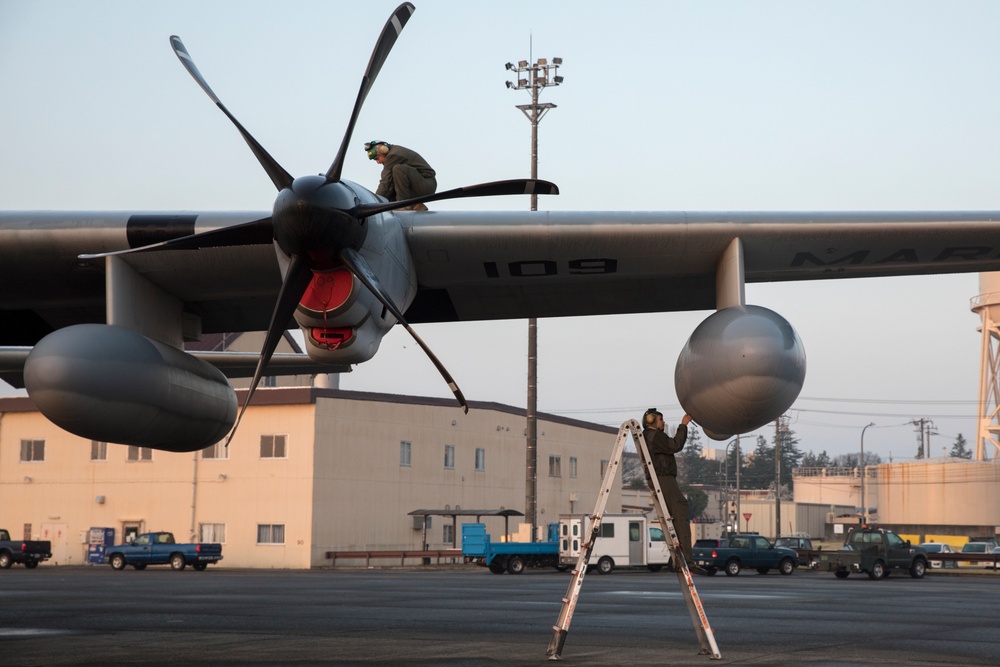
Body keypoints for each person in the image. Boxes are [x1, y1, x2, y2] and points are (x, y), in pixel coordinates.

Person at [642, 408, 704, 574]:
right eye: (661, 420)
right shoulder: (655, 436)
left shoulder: (648, 437)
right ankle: (687, 561)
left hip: (660, 479)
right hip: (664, 479)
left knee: (674, 515)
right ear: (652, 421)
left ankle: (680, 560)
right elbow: (675, 445)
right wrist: (683, 425)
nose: (664, 423)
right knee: (680, 509)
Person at [365, 141, 437, 210]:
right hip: (418, 185)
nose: (378, 162)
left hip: (427, 184)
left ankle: (403, 205)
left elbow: (385, 182)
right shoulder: (393, 153)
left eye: (377, 158)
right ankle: (414, 205)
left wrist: (375, 203)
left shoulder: (393, 155)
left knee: (398, 169)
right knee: (392, 181)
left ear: (384, 150)